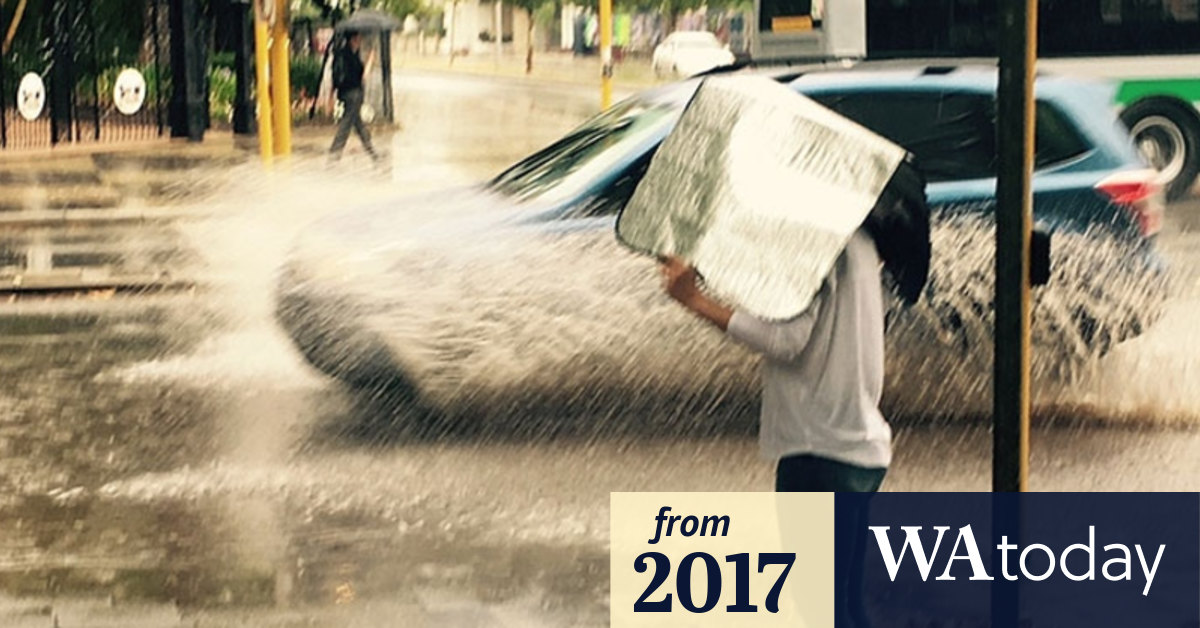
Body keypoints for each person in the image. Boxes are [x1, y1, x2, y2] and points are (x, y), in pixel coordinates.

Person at [659, 225, 891, 493]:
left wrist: (694, 300)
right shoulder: (858, 237)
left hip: (820, 450)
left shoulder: (812, 242)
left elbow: (785, 341)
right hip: (851, 444)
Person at [329, 32, 379, 161]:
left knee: (358, 124)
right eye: (358, 38)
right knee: (346, 124)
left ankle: (372, 152)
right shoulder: (350, 57)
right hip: (354, 94)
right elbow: (363, 77)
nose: (360, 41)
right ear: (353, 39)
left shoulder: (342, 54)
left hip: (345, 93)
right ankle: (334, 153)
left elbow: (335, 77)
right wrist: (370, 61)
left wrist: (332, 94)